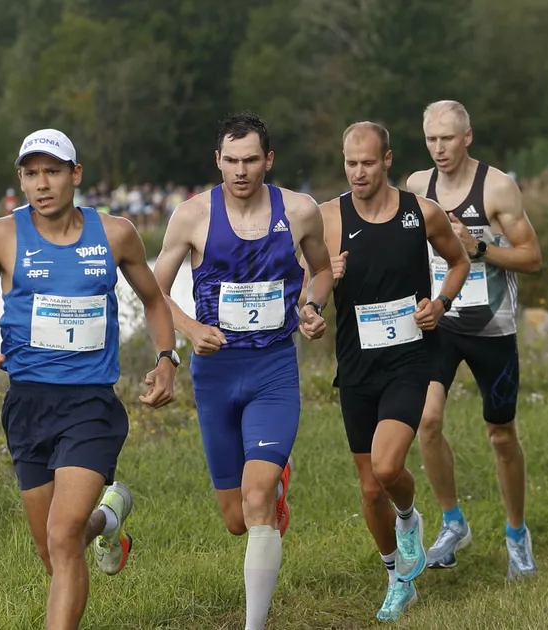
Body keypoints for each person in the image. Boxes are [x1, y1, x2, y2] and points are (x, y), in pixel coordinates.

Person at [0, 128, 181, 630]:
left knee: (62, 534)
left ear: (75, 174)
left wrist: (167, 358)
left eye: (52, 171)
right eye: (30, 174)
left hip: (90, 407)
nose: (41, 184)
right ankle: (110, 520)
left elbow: (155, 299)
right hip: (27, 406)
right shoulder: (2, 236)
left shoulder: (115, 234)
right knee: (55, 550)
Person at [152, 112, 337, 630]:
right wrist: (188, 330)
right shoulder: (190, 217)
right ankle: (276, 483)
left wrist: (313, 308)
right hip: (214, 376)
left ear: (268, 160)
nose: (240, 171)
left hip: (274, 370)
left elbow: (320, 272)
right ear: (217, 161)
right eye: (231, 161)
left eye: (251, 160)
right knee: (236, 520)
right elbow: (153, 292)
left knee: (256, 500)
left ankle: (255, 625)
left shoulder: (298, 211)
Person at [315, 121, 469, 621]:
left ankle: (409, 517)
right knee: (367, 488)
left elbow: (459, 261)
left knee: (386, 468)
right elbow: (304, 285)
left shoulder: (421, 213)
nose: (357, 173)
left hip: (409, 358)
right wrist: (318, 290)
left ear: (387, 160)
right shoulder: (327, 219)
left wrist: (441, 303)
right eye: (349, 163)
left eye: (366, 163)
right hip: (356, 365)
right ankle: (397, 579)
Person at [405, 100, 542, 580]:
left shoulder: (497, 186)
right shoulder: (419, 186)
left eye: (447, 138)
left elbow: (531, 257)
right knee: (426, 421)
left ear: (467, 137)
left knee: (501, 435)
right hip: (441, 321)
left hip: (492, 328)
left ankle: (517, 534)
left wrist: (479, 247)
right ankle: (452, 522)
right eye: (431, 140)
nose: (439, 149)